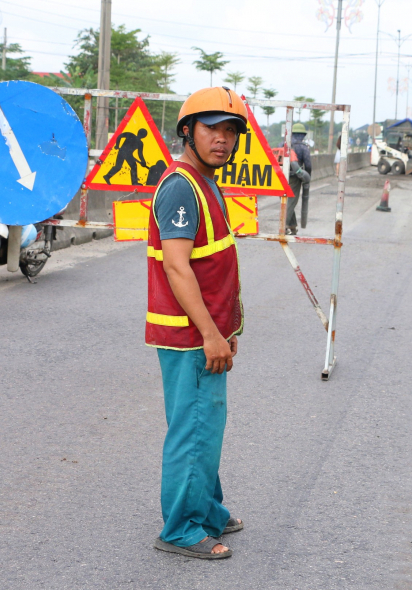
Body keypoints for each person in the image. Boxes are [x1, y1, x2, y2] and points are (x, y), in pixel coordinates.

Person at [148, 86, 246, 560]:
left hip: (209, 332)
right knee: (193, 426)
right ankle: (181, 527)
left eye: (230, 131)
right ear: (187, 131)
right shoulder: (181, 187)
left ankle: (206, 509)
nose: (222, 140)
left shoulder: (206, 182)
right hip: (190, 335)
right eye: (211, 129)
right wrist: (210, 334)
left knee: (209, 423)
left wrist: (223, 331)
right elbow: (176, 266)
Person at [285, 123, 312, 235]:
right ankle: (284, 225)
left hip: (280, 176)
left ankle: (292, 226)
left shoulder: (283, 144)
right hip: (294, 178)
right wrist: (307, 178)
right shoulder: (303, 148)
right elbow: (308, 165)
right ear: (303, 135)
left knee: (286, 201)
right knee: (290, 202)